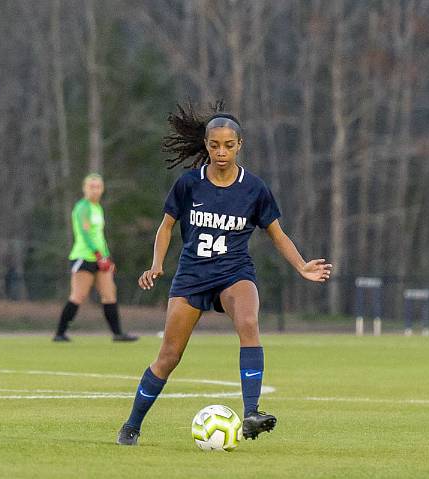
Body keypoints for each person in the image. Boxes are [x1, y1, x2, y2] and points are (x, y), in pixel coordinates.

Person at [116, 103, 332, 446]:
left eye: (228, 145)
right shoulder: (189, 184)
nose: (221, 152)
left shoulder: (254, 189)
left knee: (248, 322)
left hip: (234, 273)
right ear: (206, 145)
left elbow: (277, 234)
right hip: (192, 277)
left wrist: (302, 265)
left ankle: (251, 414)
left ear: (239, 145)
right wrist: (157, 263)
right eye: (215, 145)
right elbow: (166, 227)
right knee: (169, 357)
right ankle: (131, 425)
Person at [53, 173, 138, 342]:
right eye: (91, 187)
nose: (95, 190)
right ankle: (60, 333)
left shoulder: (98, 208)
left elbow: (99, 236)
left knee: (109, 294)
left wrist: (107, 257)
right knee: (78, 296)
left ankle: (118, 334)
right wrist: (98, 254)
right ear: (85, 189)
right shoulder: (82, 207)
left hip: (101, 259)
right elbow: (85, 234)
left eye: (98, 186)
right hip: (84, 257)